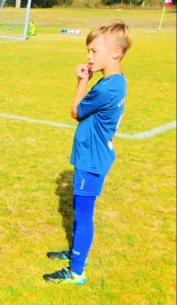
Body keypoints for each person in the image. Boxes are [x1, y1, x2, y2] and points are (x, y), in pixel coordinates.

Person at [44, 21, 131, 285]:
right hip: (92, 156)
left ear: (115, 53)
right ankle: (75, 252)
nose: (89, 56)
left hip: (92, 160)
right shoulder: (115, 83)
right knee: (79, 208)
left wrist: (82, 80)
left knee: (83, 214)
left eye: (94, 51)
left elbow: (76, 111)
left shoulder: (107, 87)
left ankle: (77, 270)